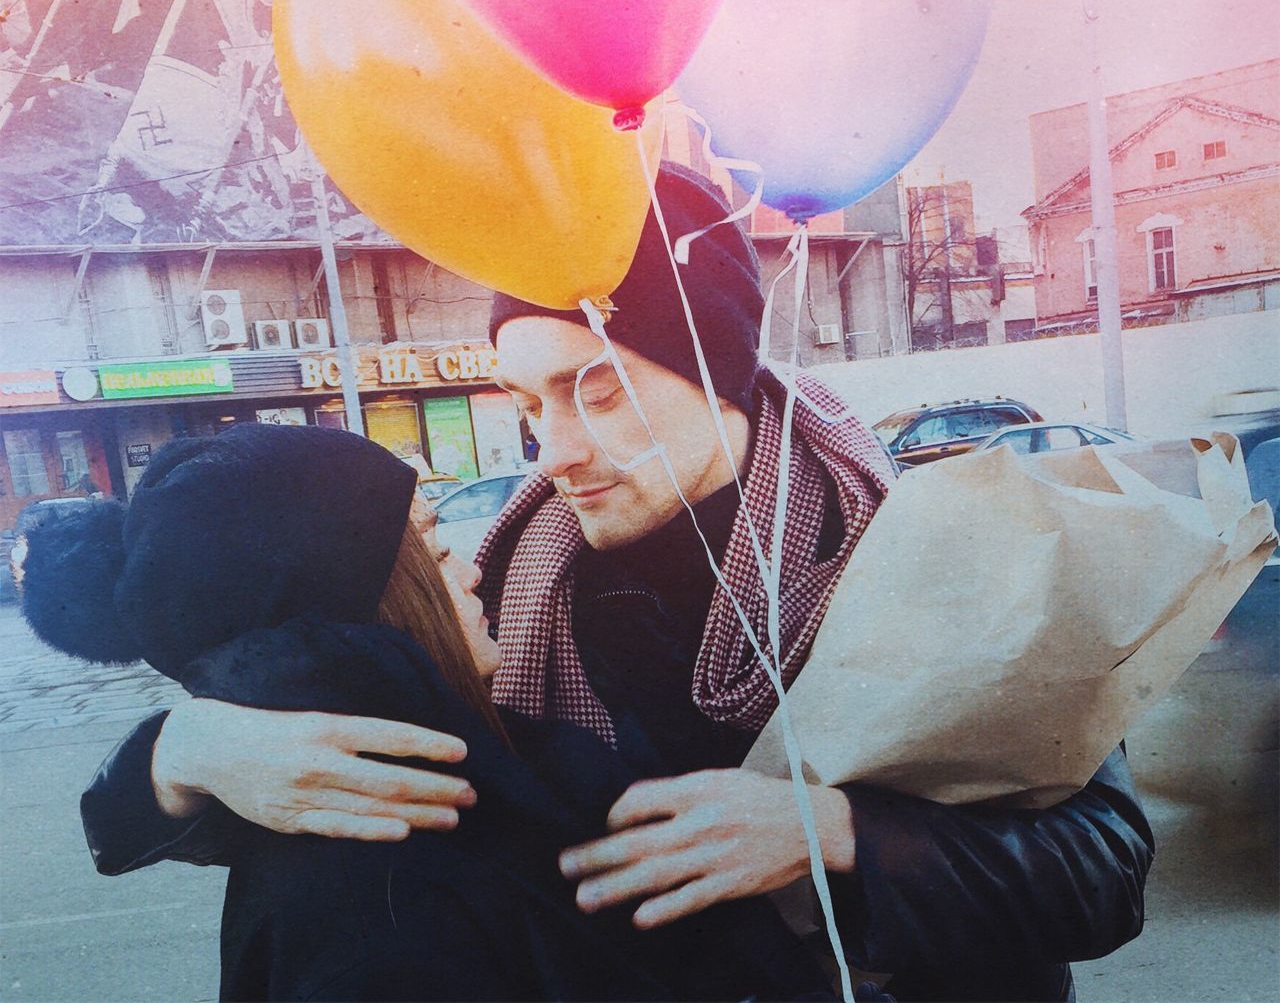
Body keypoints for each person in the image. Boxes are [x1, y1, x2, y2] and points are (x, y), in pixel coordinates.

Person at [77, 164, 1153, 1002]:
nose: (552, 450)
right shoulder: (503, 588)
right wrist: (188, 752)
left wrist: (834, 832)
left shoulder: (938, 549)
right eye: (527, 401)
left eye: (592, 388)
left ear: (712, 368)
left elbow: (1101, 865)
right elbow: (386, 805)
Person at [21, 422, 841, 1001]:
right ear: (356, 603)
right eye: (431, 546)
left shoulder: (483, 764)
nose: (474, 567)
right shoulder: (375, 881)